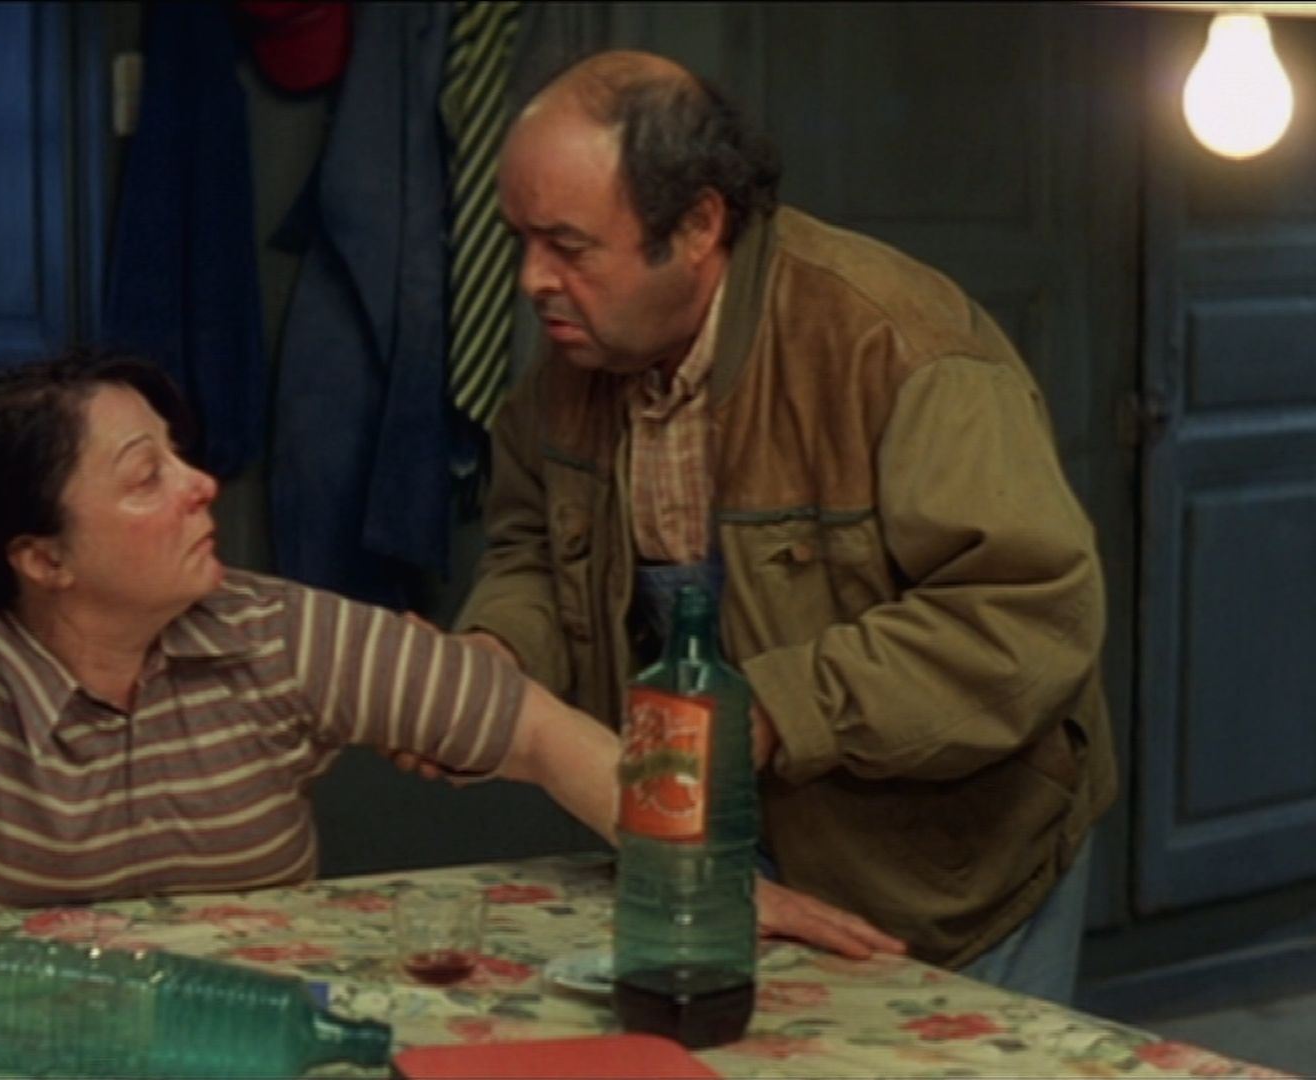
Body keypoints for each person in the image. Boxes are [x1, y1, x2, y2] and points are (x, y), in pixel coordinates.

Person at [0, 349, 900, 958]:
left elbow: (530, 727)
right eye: (146, 476)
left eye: (181, 455)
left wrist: (707, 881)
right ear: (39, 557)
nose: (201, 487)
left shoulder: (264, 628)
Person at [447, 51, 1114, 1001]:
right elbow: (533, 553)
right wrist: (499, 650)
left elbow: (1026, 618)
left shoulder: (900, 348)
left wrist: (771, 710)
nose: (531, 280)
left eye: (569, 246)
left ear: (698, 225)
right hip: (708, 857)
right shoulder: (575, 366)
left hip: (941, 876)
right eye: (520, 240)